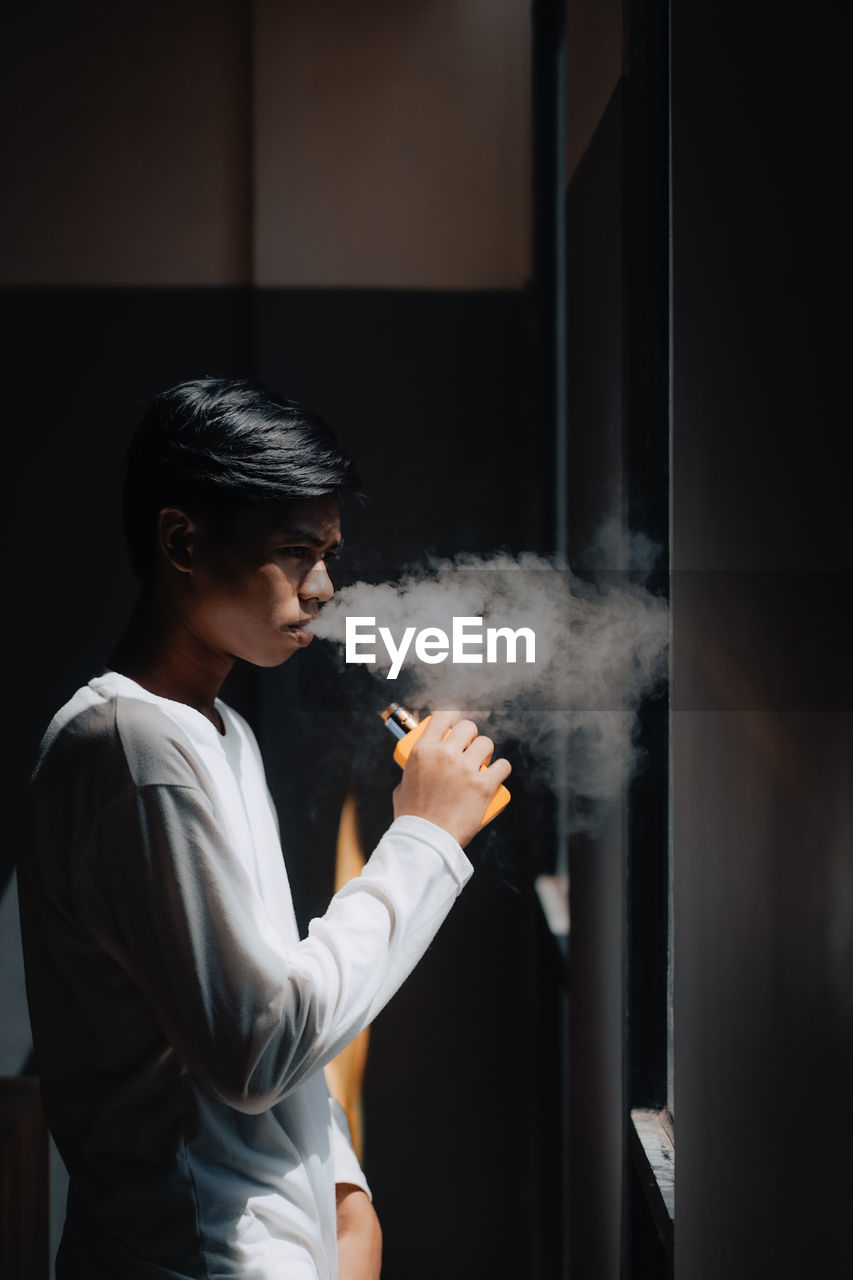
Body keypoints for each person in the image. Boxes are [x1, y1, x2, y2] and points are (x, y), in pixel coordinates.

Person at [17, 377, 511, 1280]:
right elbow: (254, 1047)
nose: (322, 587)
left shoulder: (214, 730)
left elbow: (263, 998)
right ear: (181, 540)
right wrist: (426, 840)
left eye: (327, 552)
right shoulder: (131, 749)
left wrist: (342, 1192)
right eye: (294, 551)